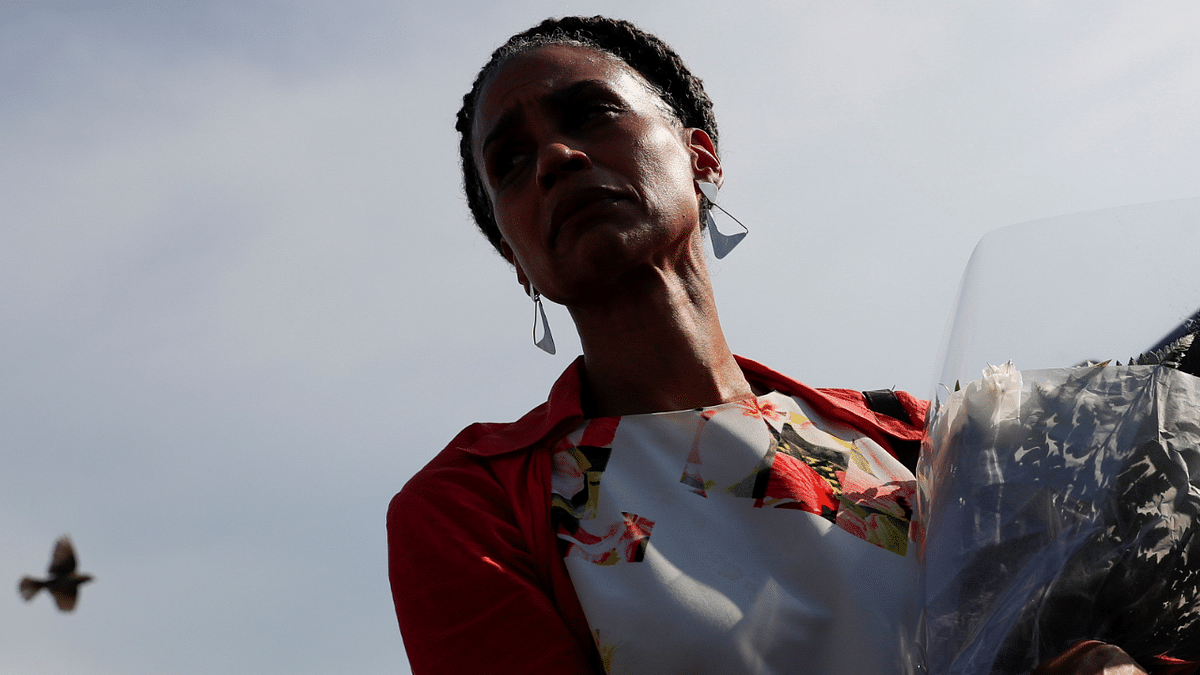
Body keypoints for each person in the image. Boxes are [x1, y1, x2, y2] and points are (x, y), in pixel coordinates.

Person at [388, 15, 1162, 675]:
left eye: (590, 113)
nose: (555, 158)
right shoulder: (473, 509)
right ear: (515, 258)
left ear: (701, 159)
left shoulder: (921, 437)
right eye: (511, 162)